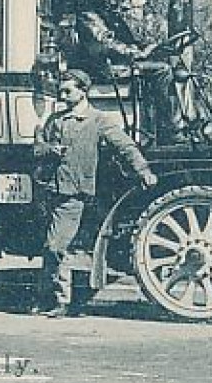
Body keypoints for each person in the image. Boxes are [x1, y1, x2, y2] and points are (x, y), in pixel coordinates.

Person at [31, 69, 157, 317]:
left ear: (83, 90)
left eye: (68, 91)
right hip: (50, 191)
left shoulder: (98, 120)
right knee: (50, 246)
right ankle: (47, 298)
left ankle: (61, 301)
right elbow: (37, 148)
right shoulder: (54, 120)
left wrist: (144, 170)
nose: (62, 95)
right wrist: (49, 149)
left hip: (75, 193)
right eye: (61, 91)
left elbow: (125, 146)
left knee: (56, 246)